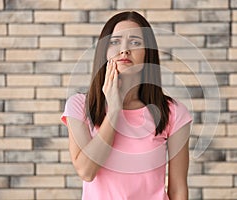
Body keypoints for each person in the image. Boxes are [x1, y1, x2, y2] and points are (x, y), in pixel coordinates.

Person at [61, 11, 192, 200]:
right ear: (104, 51)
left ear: (148, 53)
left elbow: (178, 190)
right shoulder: (79, 106)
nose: (124, 50)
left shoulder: (173, 112)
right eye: (115, 42)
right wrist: (114, 109)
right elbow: (86, 171)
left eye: (135, 42)